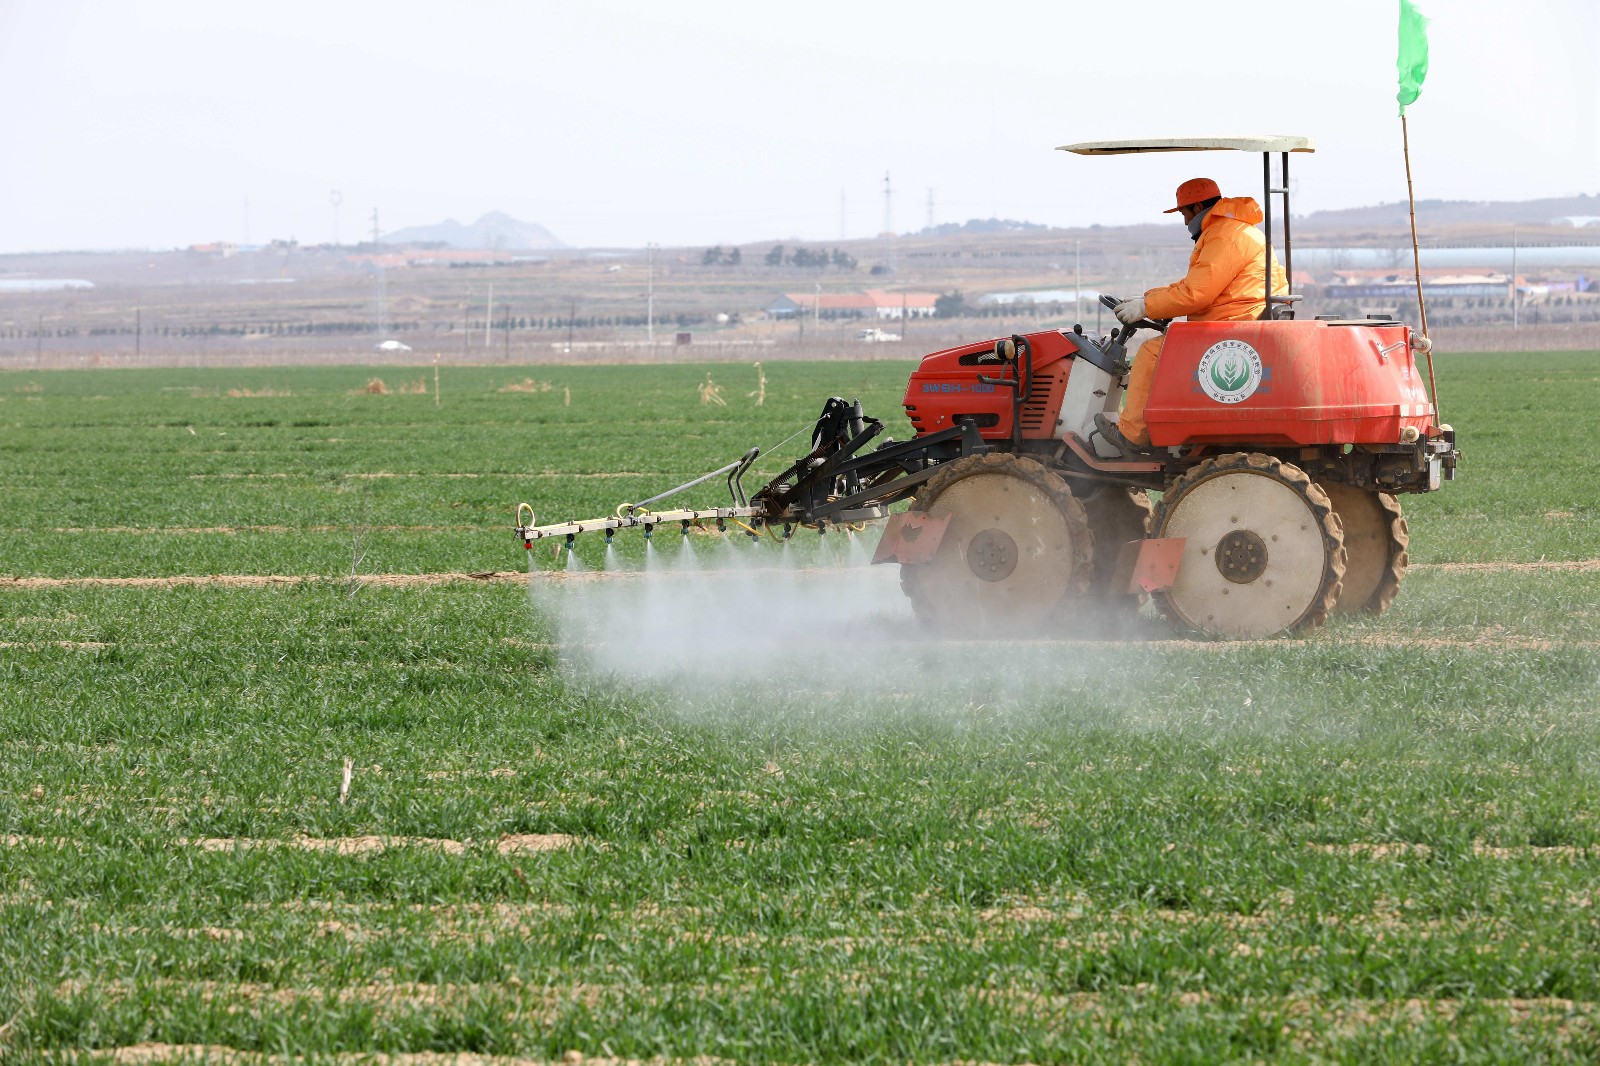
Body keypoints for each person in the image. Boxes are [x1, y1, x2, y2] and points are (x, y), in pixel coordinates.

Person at [1095, 177, 1288, 455]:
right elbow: (1193, 285)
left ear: (1198, 206)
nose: (1185, 222)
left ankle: (1132, 436)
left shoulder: (1224, 236)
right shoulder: (1230, 230)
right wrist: (1146, 300)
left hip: (1230, 328)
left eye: (1184, 213)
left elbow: (1196, 295)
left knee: (1151, 354)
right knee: (1165, 346)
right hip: (1236, 321)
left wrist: (1147, 309)